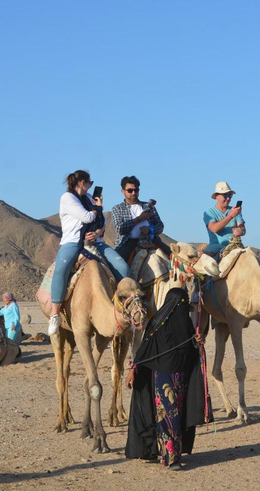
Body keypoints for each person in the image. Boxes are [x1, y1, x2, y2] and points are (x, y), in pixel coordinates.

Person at [125, 288, 212, 469]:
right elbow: (144, 350)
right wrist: (133, 370)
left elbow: (191, 351)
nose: (183, 309)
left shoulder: (186, 324)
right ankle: (171, 458)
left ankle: (172, 454)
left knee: (177, 417)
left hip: (182, 379)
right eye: (181, 304)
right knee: (167, 416)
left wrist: (197, 342)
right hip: (162, 377)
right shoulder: (157, 323)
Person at [48, 170, 129, 336]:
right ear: (82, 183)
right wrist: (98, 208)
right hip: (73, 242)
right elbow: (86, 217)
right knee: (61, 270)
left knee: (122, 267)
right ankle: (55, 313)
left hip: (95, 242)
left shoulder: (90, 197)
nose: (91, 186)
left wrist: (98, 233)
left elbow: (103, 221)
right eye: (90, 183)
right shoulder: (67, 198)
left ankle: (122, 307)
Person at [110, 175, 169, 263]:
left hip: (150, 240)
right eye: (130, 190)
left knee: (173, 257)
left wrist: (150, 230)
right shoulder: (117, 208)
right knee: (118, 265)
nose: (133, 193)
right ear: (123, 191)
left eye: (136, 190)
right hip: (128, 242)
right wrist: (139, 219)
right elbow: (120, 229)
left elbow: (160, 225)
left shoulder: (148, 206)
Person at [203, 181, 245, 259]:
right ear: (216, 196)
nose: (228, 198)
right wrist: (231, 215)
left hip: (235, 246)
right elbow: (214, 229)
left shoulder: (235, 211)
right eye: (225, 195)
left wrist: (241, 231)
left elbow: (243, 228)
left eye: (230, 195)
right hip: (216, 247)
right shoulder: (209, 212)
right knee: (204, 264)